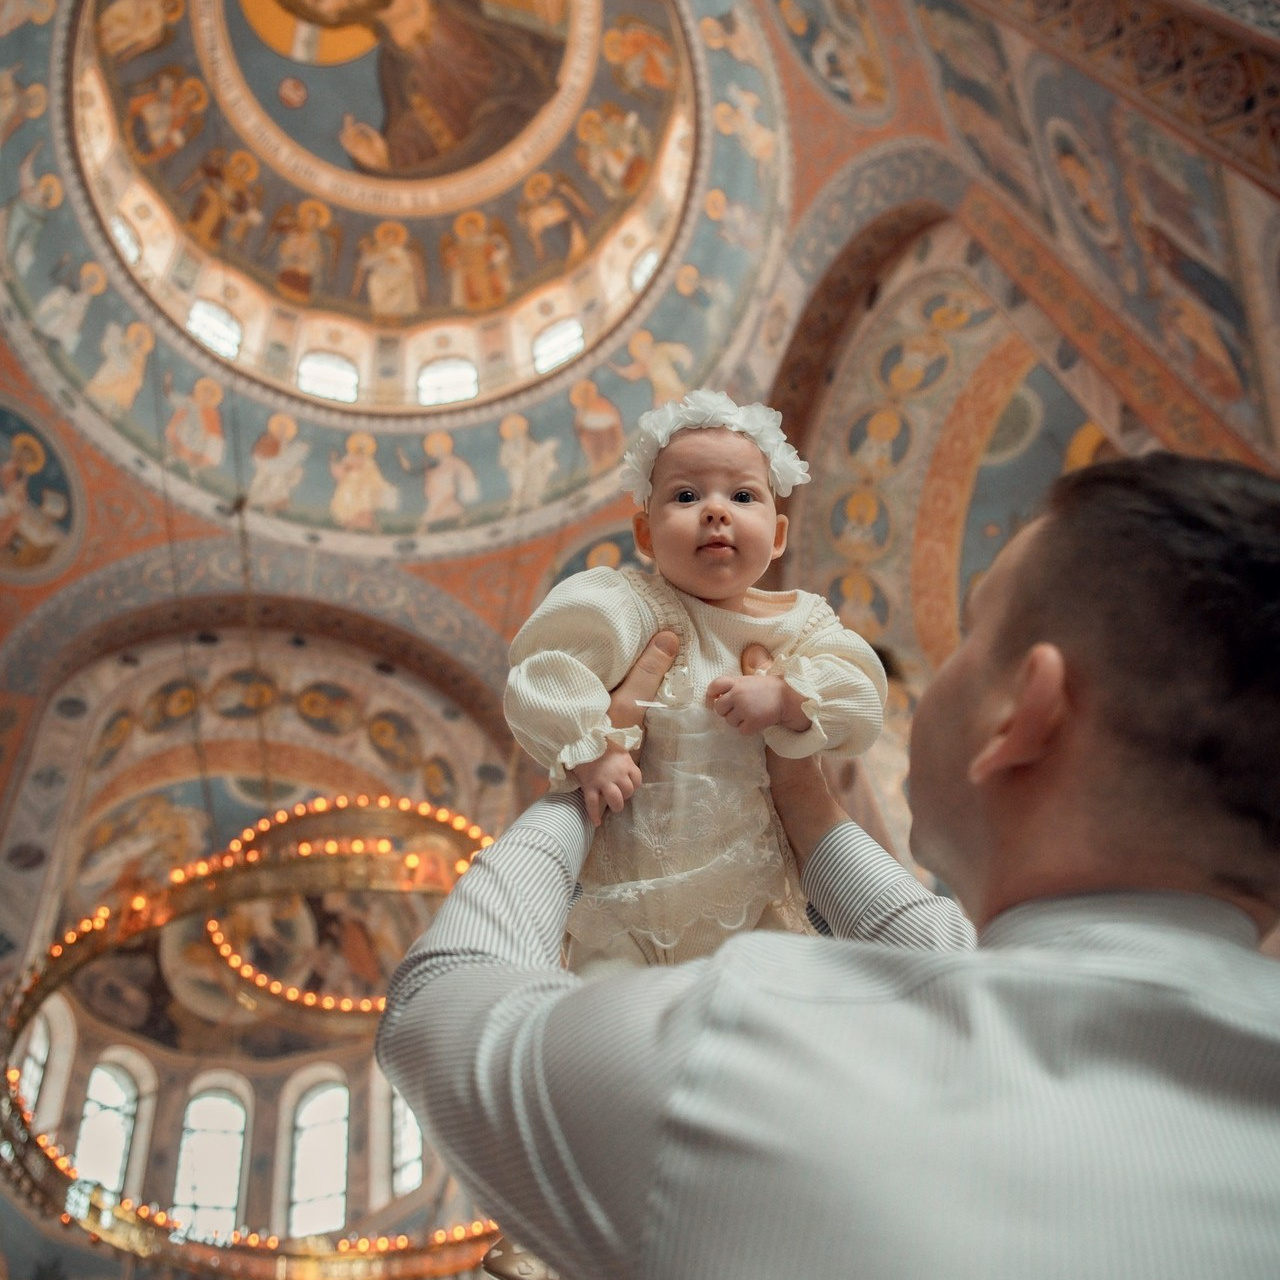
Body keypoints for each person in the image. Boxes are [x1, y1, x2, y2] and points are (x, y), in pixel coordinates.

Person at [378, 452, 1280, 1279]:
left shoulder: (752, 1054)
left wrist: (582, 785)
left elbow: (440, 1008)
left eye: (968, 634)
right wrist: (813, 817)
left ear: (1025, 712)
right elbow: (949, 954)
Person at [504, 388, 887, 967]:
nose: (716, 510)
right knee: (612, 1021)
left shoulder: (797, 624)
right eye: (686, 495)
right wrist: (594, 749)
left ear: (778, 534)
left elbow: (861, 692)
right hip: (622, 906)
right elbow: (544, 672)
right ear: (645, 535)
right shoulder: (627, 604)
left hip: (753, 900)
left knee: (765, 1006)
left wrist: (787, 697)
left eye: (742, 495)